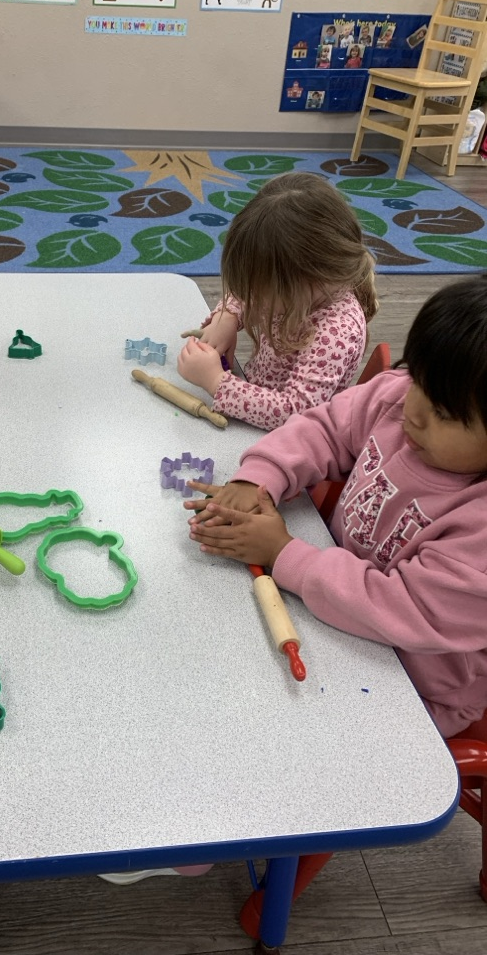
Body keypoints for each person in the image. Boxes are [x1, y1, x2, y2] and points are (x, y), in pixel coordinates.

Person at [101, 277, 487, 886]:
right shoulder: (401, 401)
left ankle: (208, 830)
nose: (413, 410)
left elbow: (405, 609)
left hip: (412, 683)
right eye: (419, 382)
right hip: (331, 604)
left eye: (442, 413)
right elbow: (325, 428)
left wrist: (285, 553)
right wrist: (260, 478)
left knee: (273, 740)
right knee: (207, 660)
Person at [177, 172, 378, 431]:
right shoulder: (302, 289)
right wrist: (228, 316)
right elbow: (247, 292)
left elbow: (294, 414)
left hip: (285, 440)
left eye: (263, 291)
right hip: (251, 405)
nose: (254, 296)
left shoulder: (337, 332)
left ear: (310, 277)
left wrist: (215, 382)